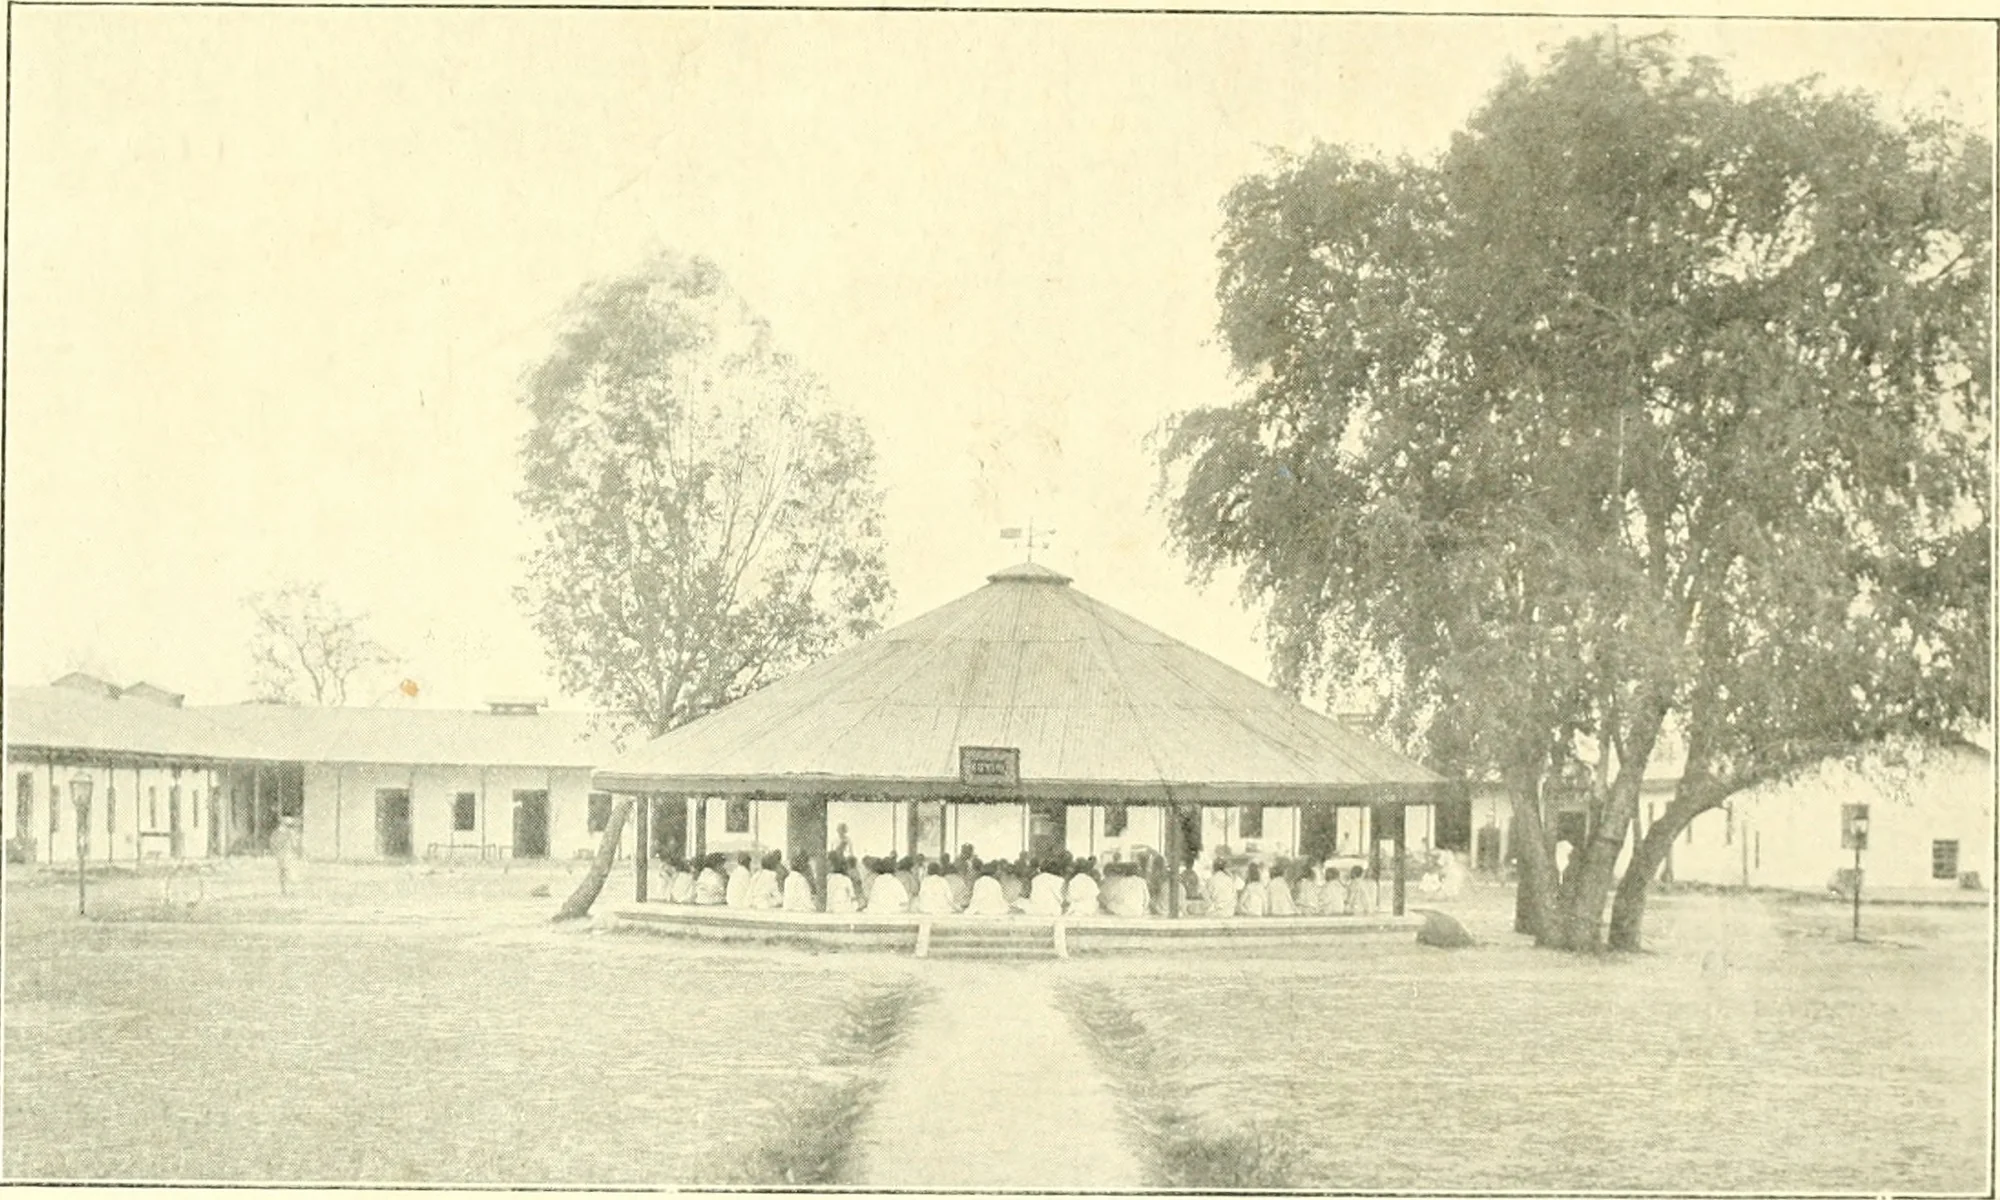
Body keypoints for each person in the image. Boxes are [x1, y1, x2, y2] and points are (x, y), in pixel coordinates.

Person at [270, 815, 305, 894]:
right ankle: (288, 889)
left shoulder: (277, 832)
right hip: (287, 854)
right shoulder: (288, 833)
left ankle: (284, 889)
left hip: (282, 854)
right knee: (288, 871)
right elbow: (294, 844)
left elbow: (272, 843)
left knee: (283, 871)